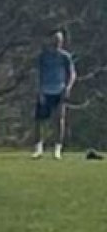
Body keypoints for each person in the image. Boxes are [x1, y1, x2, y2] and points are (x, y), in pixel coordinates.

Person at [32, 30, 76, 160]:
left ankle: (57, 149)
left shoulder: (65, 57)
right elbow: (38, 74)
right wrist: (39, 90)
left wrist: (68, 87)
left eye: (59, 40)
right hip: (45, 91)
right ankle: (38, 149)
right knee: (40, 121)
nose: (57, 42)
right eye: (55, 39)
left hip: (59, 90)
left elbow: (72, 73)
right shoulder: (43, 56)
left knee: (59, 120)